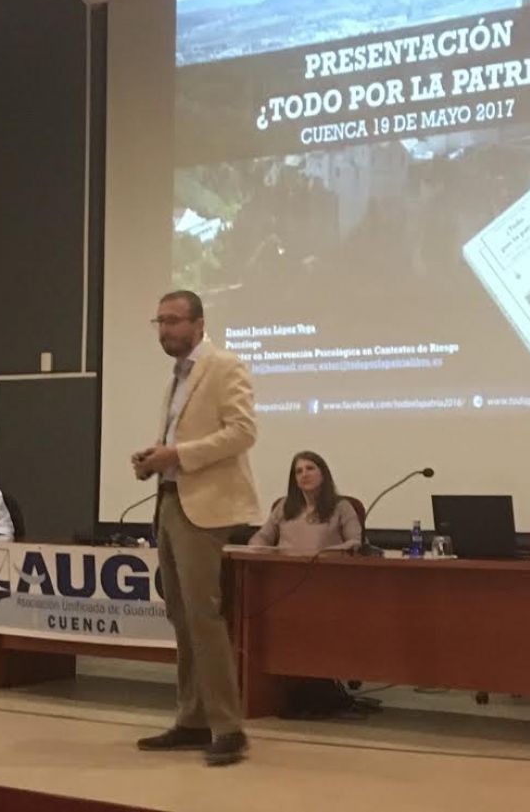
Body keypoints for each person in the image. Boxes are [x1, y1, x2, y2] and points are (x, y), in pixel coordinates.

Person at [131, 290, 259, 767]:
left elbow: (243, 431)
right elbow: (178, 441)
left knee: (203, 616)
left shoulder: (224, 366)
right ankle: (192, 719)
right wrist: (154, 459)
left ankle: (229, 727)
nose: (165, 330)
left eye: (173, 321)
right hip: (169, 501)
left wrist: (177, 457)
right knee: (181, 617)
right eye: (159, 321)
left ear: (199, 323)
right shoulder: (176, 377)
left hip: (204, 508)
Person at [249, 451, 362, 552]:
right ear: (295, 480)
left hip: (326, 570)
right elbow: (262, 537)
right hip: (285, 569)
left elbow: (355, 542)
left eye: (310, 468)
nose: (304, 474)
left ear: (323, 475)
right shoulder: (284, 505)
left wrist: (322, 554)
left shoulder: (342, 506)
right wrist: (257, 546)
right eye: (299, 471)